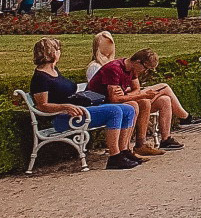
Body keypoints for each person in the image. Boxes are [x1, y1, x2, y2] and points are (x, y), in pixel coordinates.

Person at [29, 38, 141, 169]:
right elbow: (42, 105)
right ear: (52, 53)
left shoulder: (54, 71)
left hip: (78, 111)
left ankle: (124, 151)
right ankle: (114, 157)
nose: (60, 52)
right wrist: (65, 106)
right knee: (114, 111)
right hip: (64, 118)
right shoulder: (40, 78)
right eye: (58, 50)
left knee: (128, 109)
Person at [94, 47, 189, 154]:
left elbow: (136, 89)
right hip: (101, 103)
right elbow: (115, 98)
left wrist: (129, 94)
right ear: (138, 62)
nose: (145, 71)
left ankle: (146, 144)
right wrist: (140, 95)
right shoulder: (114, 69)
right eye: (146, 68)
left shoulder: (132, 69)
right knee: (153, 94)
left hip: (116, 101)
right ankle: (186, 117)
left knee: (163, 100)